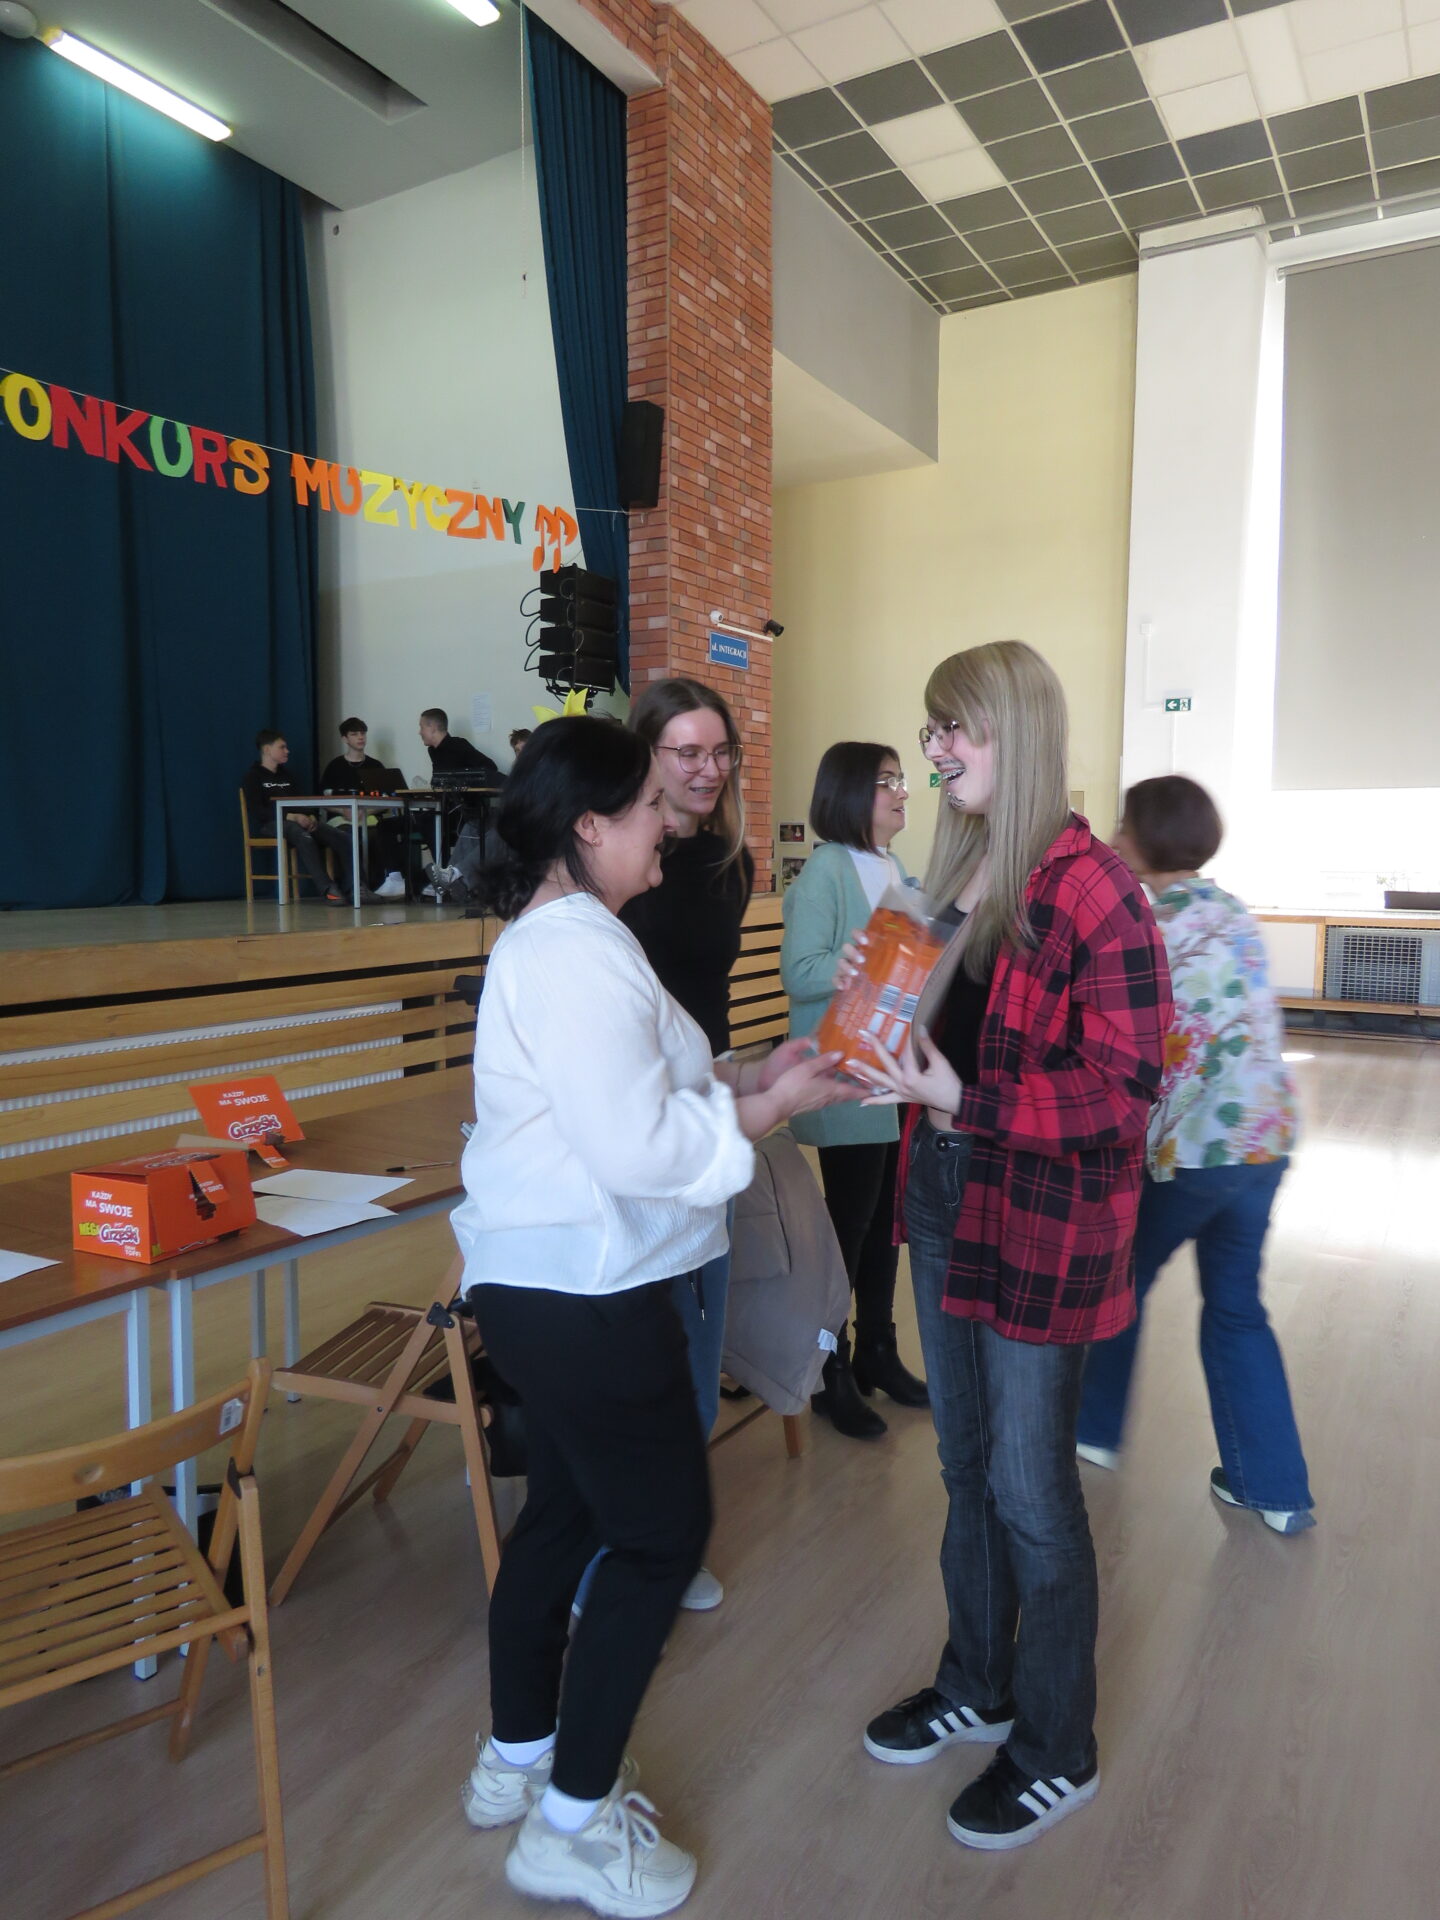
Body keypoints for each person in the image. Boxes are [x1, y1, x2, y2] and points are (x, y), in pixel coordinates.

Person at [454, 716, 854, 1916]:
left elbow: (641, 1087)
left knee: (566, 1517)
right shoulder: (574, 951)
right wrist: (765, 1115)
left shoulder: (575, 939)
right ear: (589, 826)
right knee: (661, 1538)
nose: (666, 832)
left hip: (551, 1289)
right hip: (585, 1290)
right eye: (645, 812)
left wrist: (751, 1074)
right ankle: (571, 1826)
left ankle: (520, 1753)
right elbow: (633, 1144)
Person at [850, 640, 1171, 1852]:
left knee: (1033, 1493)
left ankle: (1055, 1747)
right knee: (965, 1465)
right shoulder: (954, 868)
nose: (935, 751)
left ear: (1016, 731)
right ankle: (977, 1684)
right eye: (930, 729)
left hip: (1042, 1215)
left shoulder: (1098, 891)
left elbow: (1123, 1093)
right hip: (944, 1191)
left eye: (956, 727)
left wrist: (963, 1098)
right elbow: (912, 1039)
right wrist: (873, 1001)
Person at [1075, 776, 1313, 1533]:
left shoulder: (1147, 923)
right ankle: (1275, 1491)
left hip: (1196, 1151)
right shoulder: (1233, 911)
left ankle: (1092, 1429)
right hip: (1264, 1143)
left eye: (1124, 825)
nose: (1115, 837)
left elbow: (1142, 1045)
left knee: (1119, 1282)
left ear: (1149, 838)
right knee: (1238, 1309)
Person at [619, 677, 753, 1612]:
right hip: (628, 1121)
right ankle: (617, 1553)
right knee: (637, 1351)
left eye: (720, 752)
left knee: (698, 1340)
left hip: (702, 1110)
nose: (709, 770)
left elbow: (706, 1001)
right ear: (648, 757)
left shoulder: (730, 858)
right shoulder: (611, 860)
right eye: (688, 753)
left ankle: (669, 1545)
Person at [781, 741, 927, 1440]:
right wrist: (863, 964)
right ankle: (828, 1367)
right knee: (849, 1225)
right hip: (845, 1074)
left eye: (900, 780)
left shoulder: (894, 867)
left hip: (889, 1069)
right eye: (886, 782)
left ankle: (877, 1348)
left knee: (884, 1223)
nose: (901, 793)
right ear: (847, 794)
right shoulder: (826, 871)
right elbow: (800, 970)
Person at [241, 729, 357, 904]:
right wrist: (291, 817)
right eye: (282, 747)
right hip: (271, 824)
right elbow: (258, 811)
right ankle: (328, 889)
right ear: (267, 750)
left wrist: (310, 816)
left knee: (342, 836)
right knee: (302, 835)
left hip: (298, 821)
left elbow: (301, 802)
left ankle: (356, 887)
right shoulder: (253, 777)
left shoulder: (288, 776)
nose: (287, 751)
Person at [319, 717, 405, 898]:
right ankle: (355, 886)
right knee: (348, 836)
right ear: (345, 739)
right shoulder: (334, 767)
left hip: (369, 817)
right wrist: (343, 811)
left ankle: (380, 884)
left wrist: (366, 811)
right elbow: (324, 799)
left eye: (362, 733)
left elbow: (386, 799)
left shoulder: (376, 766)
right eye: (354, 734)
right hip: (341, 819)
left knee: (379, 835)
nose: (360, 737)